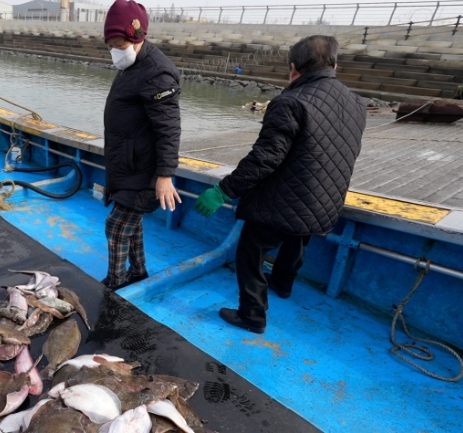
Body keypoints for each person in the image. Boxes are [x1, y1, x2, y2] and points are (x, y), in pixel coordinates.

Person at [195, 35, 366, 334]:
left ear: (293, 68)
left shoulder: (290, 102)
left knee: (251, 249)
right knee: (298, 236)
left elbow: (265, 157)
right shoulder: (356, 103)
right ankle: (283, 286)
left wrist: (224, 190)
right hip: (326, 202)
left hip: (287, 200)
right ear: (335, 65)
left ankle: (252, 315)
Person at [101, 0, 182, 291]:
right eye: (110, 43)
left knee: (116, 227)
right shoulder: (132, 64)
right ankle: (138, 271)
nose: (115, 50)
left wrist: (164, 175)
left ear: (137, 37)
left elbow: (169, 128)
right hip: (128, 163)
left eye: (119, 43)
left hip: (144, 169)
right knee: (130, 227)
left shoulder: (157, 72)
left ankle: (116, 283)